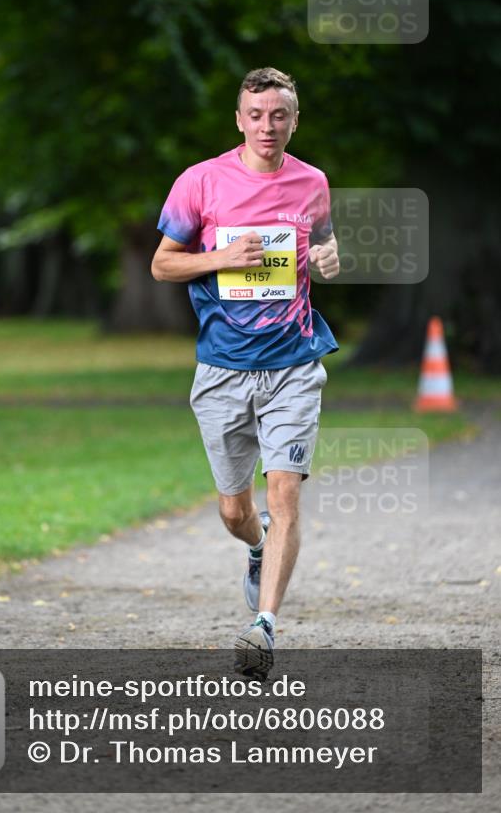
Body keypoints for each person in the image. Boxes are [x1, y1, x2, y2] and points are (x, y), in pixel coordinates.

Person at [151, 67, 340, 680]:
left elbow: (323, 246)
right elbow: (162, 265)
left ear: (294, 121)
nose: (267, 125)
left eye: (278, 115)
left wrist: (329, 258)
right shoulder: (200, 181)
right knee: (236, 510)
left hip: (294, 363)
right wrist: (222, 257)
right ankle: (257, 547)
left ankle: (264, 625)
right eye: (256, 115)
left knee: (284, 492)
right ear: (239, 120)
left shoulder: (312, 183)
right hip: (223, 369)